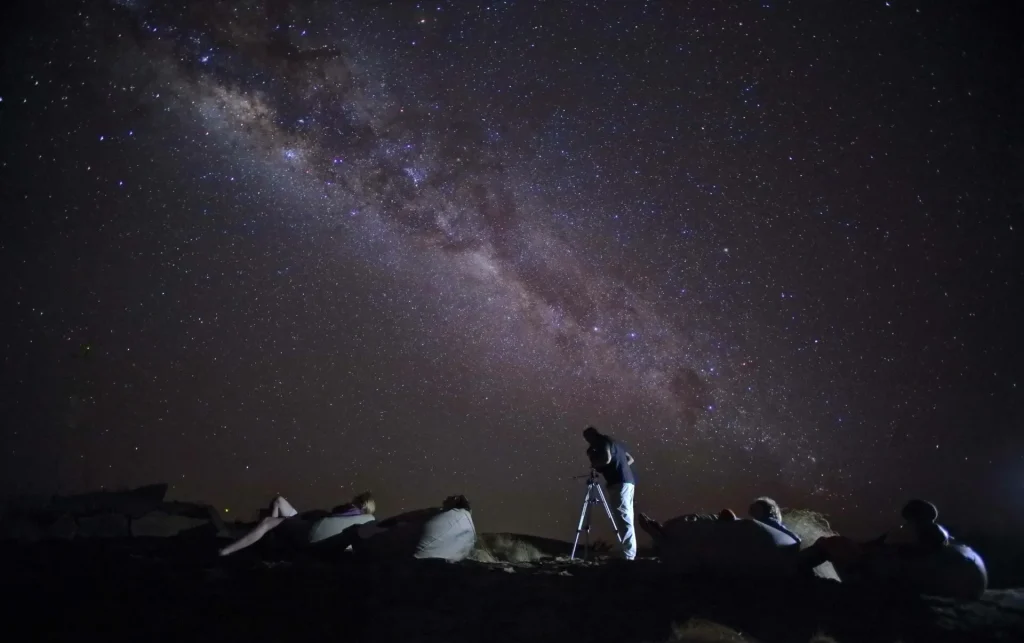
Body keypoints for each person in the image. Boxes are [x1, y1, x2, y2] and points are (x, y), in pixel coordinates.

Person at [218, 491, 376, 556]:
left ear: (362, 504)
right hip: (310, 523)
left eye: (356, 500)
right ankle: (269, 537)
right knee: (279, 501)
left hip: (309, 530)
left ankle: (225, 551)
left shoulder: (353, 512)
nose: (352, 501)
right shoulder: (357, 518)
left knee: (267, 521)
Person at [582, 426, 636, 560]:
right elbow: (630, 459)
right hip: (627, 481)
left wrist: (595, 463)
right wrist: (618, 467)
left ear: (591, 436)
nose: (588, 442)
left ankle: (628, 555)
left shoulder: (601, 443)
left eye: (587, 439)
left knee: (623, 518)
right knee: (626, 517)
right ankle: (629, 552)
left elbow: (606, 459)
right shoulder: (612, 442)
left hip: (619, 482)